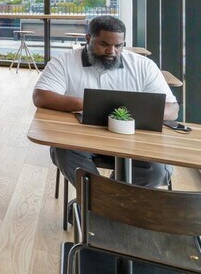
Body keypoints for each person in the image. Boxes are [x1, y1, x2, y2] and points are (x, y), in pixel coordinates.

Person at [33, 15, 179, 188]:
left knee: (158, 171)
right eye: (104, 44)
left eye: (118, 45)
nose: (111, 51)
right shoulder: (64, 62)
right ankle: (105, 200)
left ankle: (101, 200)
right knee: (63, 151)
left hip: (135, 139)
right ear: (88, 39)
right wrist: (90, 105)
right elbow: (41, 96)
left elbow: (172, 109)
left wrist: (130, 113)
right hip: (81, 139)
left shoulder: (144, 66)